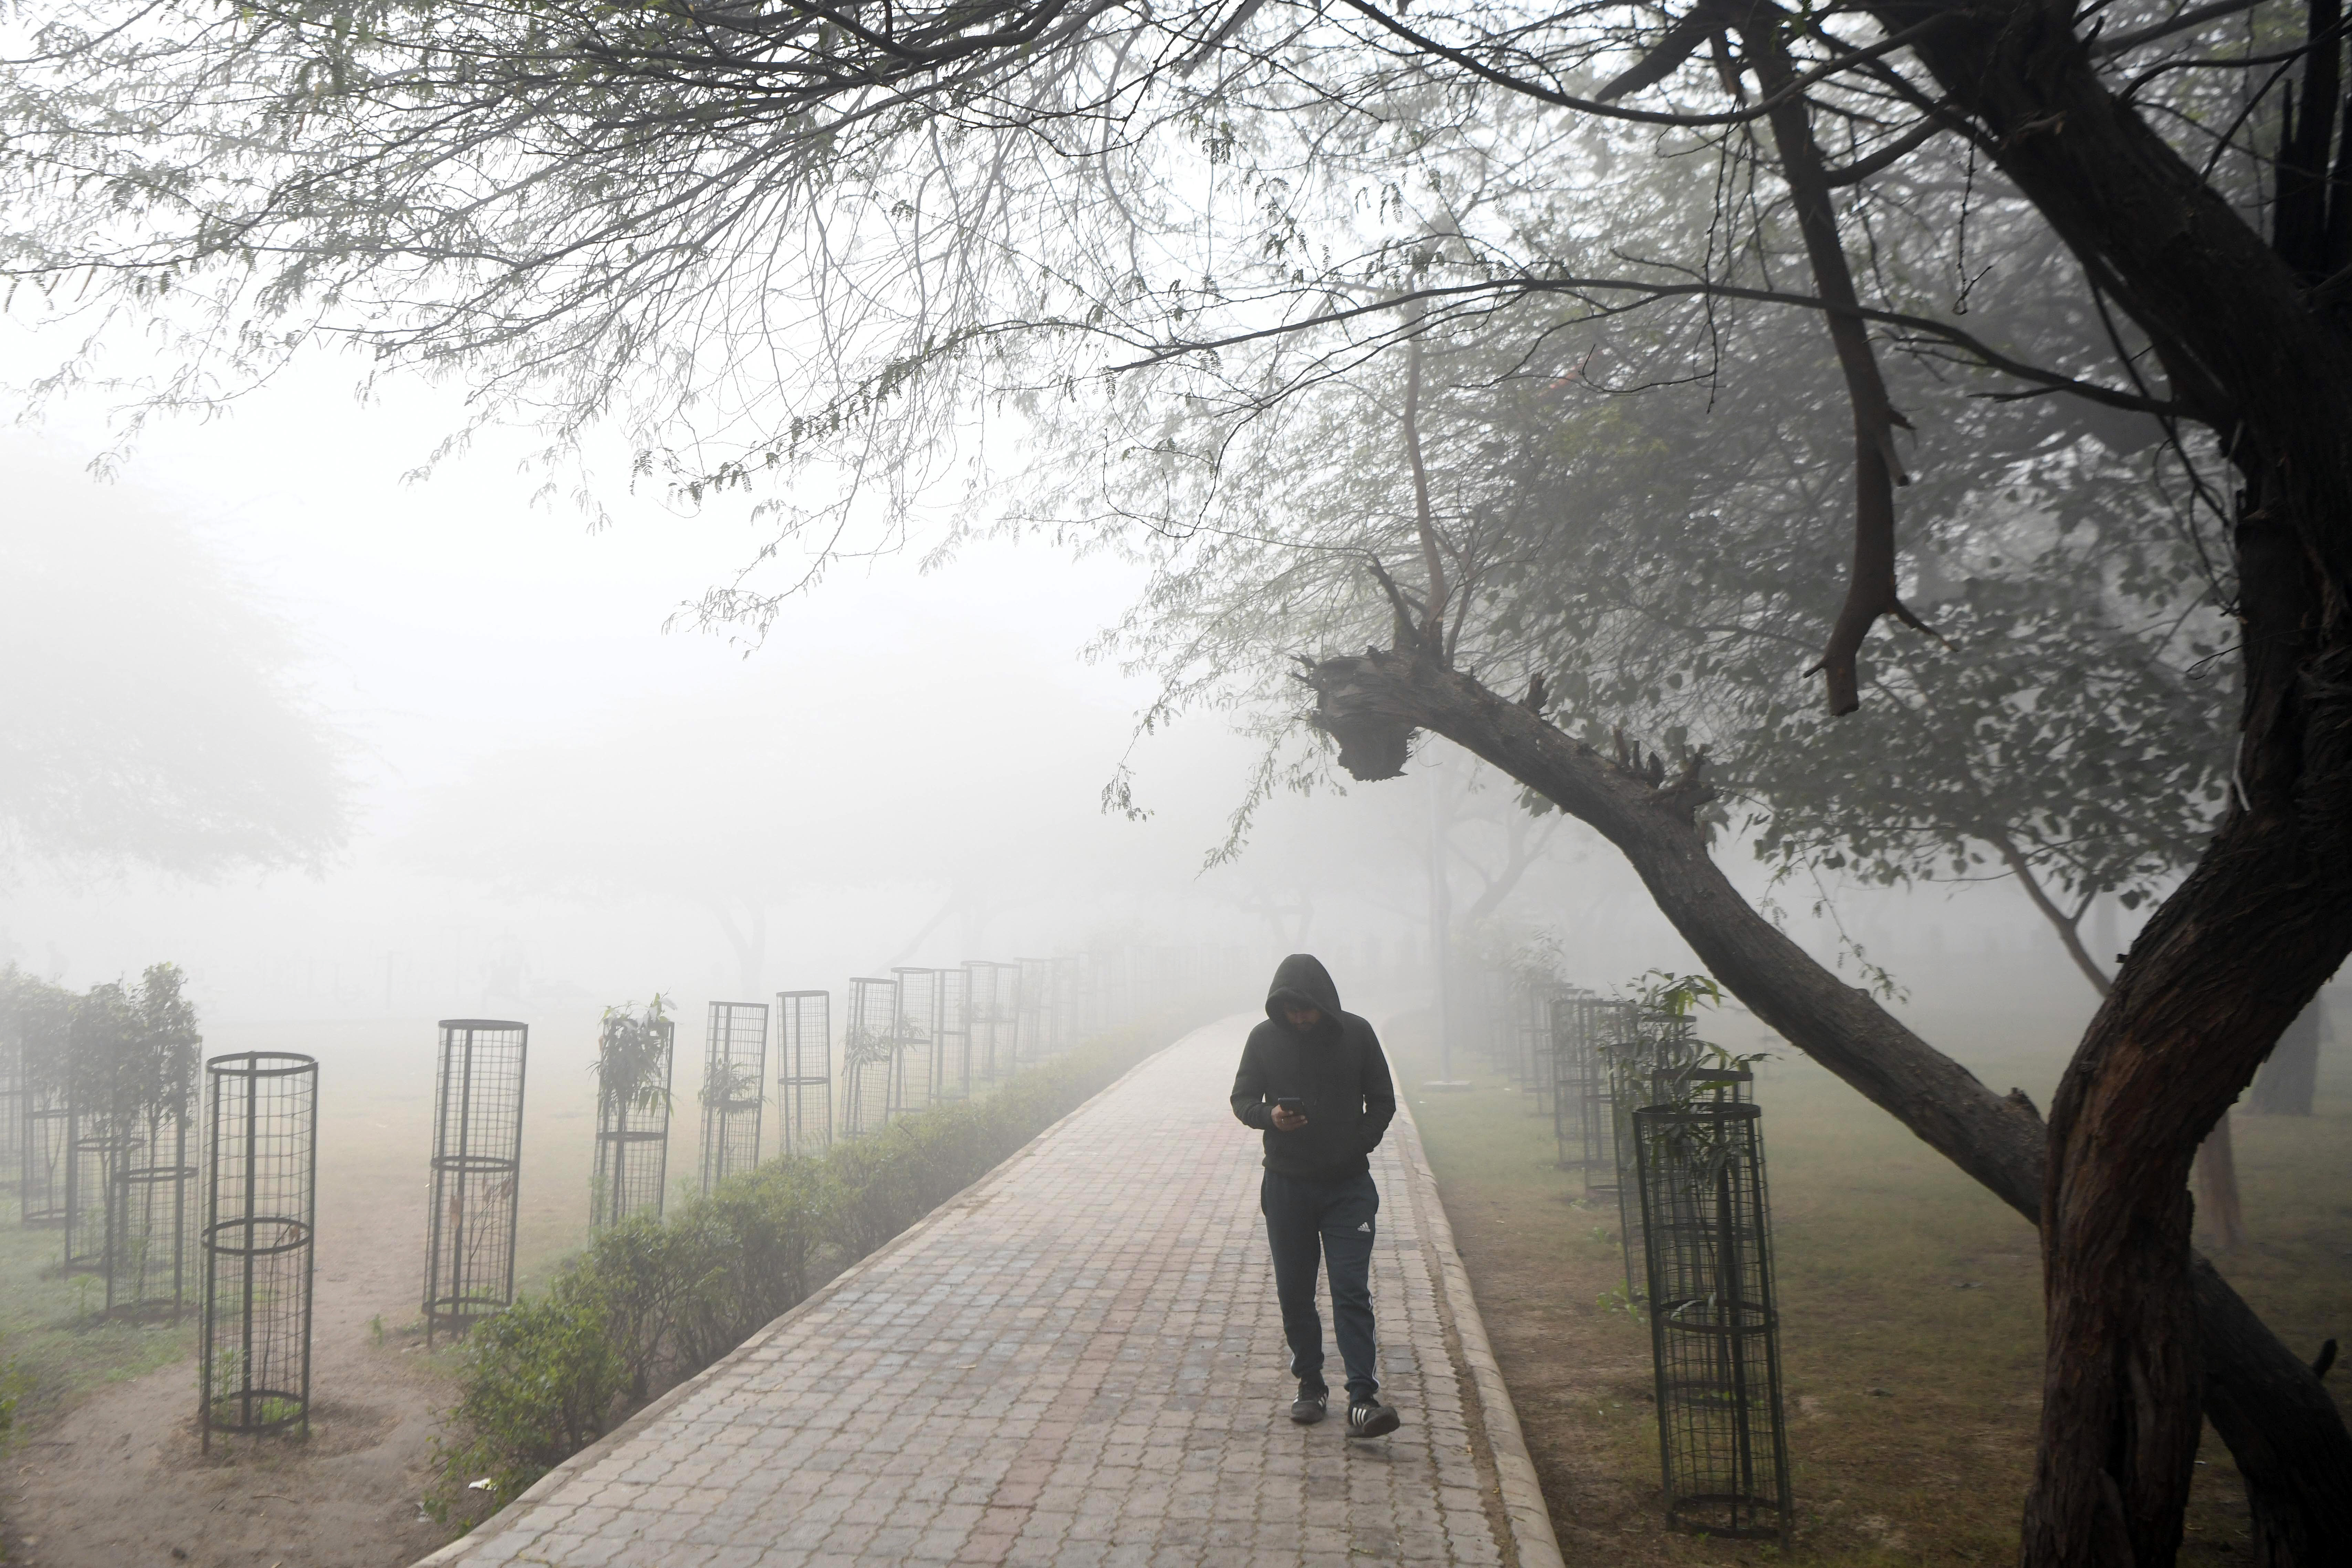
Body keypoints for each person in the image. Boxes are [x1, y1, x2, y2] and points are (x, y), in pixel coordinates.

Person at [1229, 953, 1402, 1438]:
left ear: (1325, 1004)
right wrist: (1271, 1118)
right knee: (1295, 1291)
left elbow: (1383, 1100)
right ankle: (1310, 1384)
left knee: (1351, 1289)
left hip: (1348, 1187)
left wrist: (1358, 1142)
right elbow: (1242, 1099)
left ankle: (1363, 1399)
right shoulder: (1264, 1039)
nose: (1299, 1018)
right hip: (1287, 1186)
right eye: (1289, 1011)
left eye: (1306, 1009)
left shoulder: (1358, 1034)